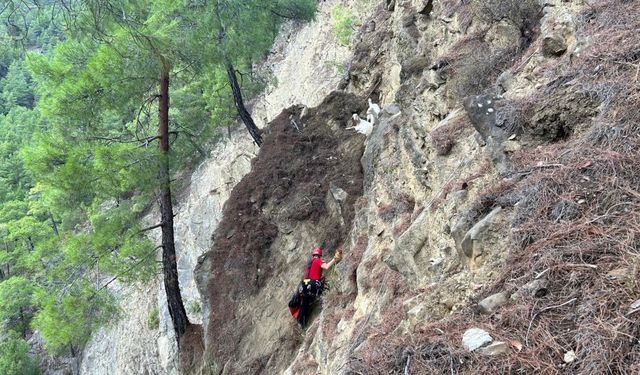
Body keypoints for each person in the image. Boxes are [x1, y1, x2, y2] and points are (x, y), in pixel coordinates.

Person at [289, 247, 342, 327]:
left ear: (313, 255)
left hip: (304, 286)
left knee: (305, 304)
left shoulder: (309, 264)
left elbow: (311, 275)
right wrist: (335, 259)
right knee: (321, 290)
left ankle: (302, 322)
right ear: (320, 255)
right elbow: (327, 266)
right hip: (312, 284)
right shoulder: (318, 260)